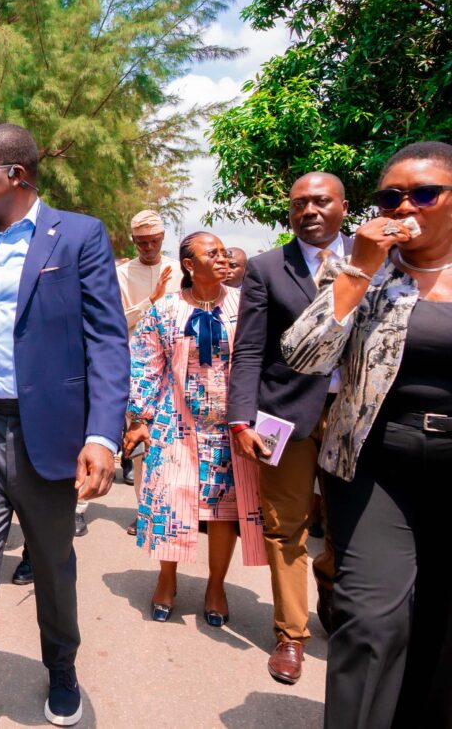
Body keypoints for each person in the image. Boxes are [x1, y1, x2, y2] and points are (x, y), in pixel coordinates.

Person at [0, 123, 129, 728]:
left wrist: (102, 435)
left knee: (51, 565)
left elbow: (106, 341)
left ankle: (62, 665)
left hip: (51, 434)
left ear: (15, 175)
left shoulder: (78, 235)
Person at [282, 141, 452, 728]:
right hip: (375, 461)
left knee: (440, 626)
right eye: (392, 195)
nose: (407, 205)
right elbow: (302, 354)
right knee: (371, 620)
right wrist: (361, 269)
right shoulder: (358, 270)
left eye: (425, 193)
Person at [226, 172, 349, 685]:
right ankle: (290, 635)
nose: (309, 211)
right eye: (299, 203)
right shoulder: (266, 268)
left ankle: (334, 592)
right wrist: (240, 417)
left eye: (321, 201)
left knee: (352, 527)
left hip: (357, 414)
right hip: (284, 414)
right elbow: (250, 347)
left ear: (344, 205)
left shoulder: (375, 259)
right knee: (286, 525)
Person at [125, 232, 266, 628]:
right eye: (213, 253)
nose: (223, 259)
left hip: (230, 425)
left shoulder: (245, 306)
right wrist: (139, 418)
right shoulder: (165, 309)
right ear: (189, 263)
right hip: (175, 421)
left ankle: (215, 586)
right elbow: (146, 364)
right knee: (172, 500)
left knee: (223, 510)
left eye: (225, 253)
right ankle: (166, 578)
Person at [116, 211, 182, 531]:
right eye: (141, 242)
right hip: (138, 367)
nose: (148, 247)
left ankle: (174, 506)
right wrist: (150, 302)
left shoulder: (181, 269)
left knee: (173, 441)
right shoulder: (122, 274)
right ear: (133, 241)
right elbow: (115, 321)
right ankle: (144, 510)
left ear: (163, 237)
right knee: (141, 440)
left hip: (177, 368)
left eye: (153, 241)